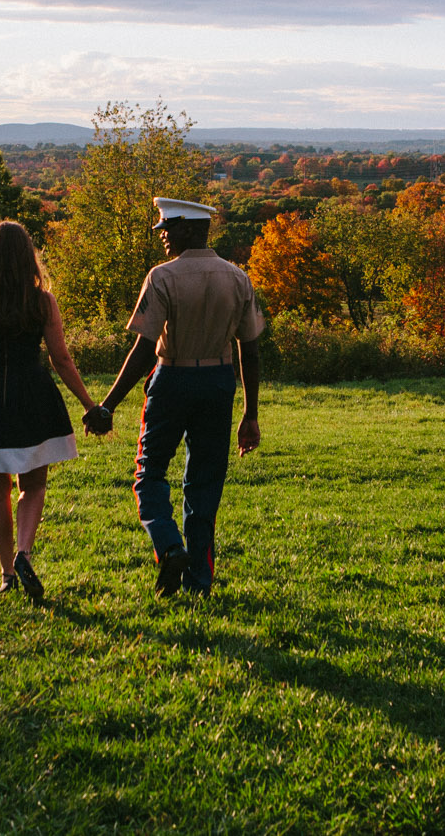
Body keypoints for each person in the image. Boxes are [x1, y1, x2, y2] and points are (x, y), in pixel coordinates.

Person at [84, 197, 265, 596]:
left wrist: (108, 405)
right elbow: (249, 350)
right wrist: (250, 414)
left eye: (167, 228)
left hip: (171, 380)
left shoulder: (162, 277)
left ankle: (168, 547)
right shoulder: (237, 278)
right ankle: (199, 581)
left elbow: (145, 348)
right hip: (218, 383)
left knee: (149, 474)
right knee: (205, 484)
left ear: (187, 228)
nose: (162, 236)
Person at [0, 219, 103, 604]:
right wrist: (89, 404)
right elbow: (60, 358)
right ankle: (24, 553)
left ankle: (7, 573)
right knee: (34, 485)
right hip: (33, 393)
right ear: (28, 257)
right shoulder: (42, 301)